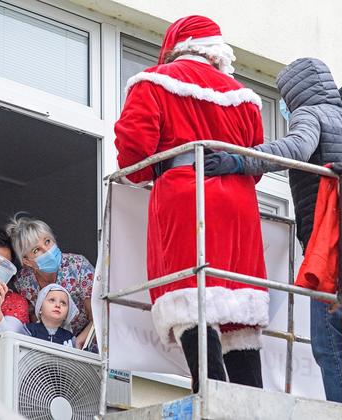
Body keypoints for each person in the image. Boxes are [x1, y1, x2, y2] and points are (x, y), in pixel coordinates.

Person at [203, 57, 342, 405]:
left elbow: (295, 148)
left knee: (329, 341)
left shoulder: (310, 113)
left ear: (295, 93)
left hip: (329, 242)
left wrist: (238, 159)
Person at [114, 15, 269, 392]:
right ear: (216, 51)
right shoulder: (245, 98)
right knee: (237, 300)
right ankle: (251, 395)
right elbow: (258, 163)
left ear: (175, 47)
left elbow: (132, 154)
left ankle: (210, 388)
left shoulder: (153, 83)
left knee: (189, 293)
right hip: (239, 204)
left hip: (186, 196)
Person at [6, 214, 96, 352]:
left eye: (47, 241)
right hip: (48, 348)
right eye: (36, 250)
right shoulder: (23, 281)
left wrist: (76, 344)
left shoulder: (77, 266)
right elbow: (35, 321)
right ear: (27, 261)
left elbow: (98, 317)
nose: (46, 250)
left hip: (87, 343)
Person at [0, 283, 78, 348]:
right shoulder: (28, 330)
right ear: (40, 308)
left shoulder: (70, 338)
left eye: (63, 303)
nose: (58, 305)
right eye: (52, 300)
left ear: (67, 314)